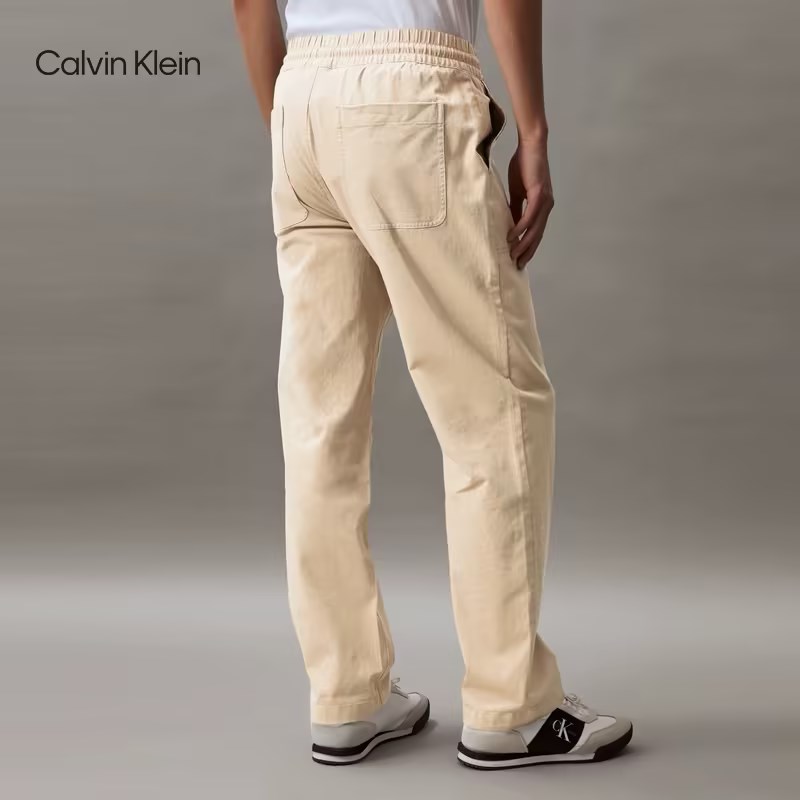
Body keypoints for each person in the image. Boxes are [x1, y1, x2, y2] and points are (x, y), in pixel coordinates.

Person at [233, 0, 633, 769]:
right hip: (409, 90)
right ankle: (513, 706)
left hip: (301, 100)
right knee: (494, 407)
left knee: (320, 425)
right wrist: (535, 132)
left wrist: (294, 124)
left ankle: (346, 695)